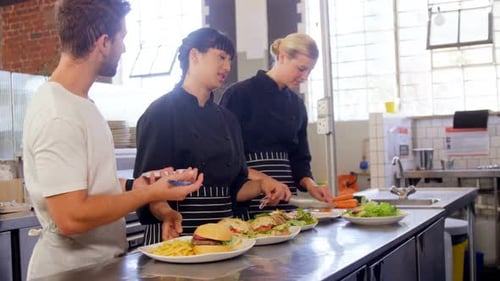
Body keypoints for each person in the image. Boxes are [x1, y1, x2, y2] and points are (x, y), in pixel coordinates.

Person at [22, 1, 203, 279]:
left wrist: (137, 184)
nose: (125, 48)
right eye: (123, 39)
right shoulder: (57, 113)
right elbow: (71, 216)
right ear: (104, 43)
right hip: (70, 272)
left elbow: (89, 183)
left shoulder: (80, 102)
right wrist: (151, 194)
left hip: (98, 267)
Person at [134, 27, 291, 244]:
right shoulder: (160, 113)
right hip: (177, 235)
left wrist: (262, 186)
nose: (227, 67)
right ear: (194, 56)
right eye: (221, 57)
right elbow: (148, 188)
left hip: (224, 238)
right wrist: (167, 214)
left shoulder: (228, 120)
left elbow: (235, 189)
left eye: (230, 60)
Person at [220, 33, 332, 218]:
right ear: (282, 57)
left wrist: (311, 185)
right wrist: (263, 181)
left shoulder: (297, 104)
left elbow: (300, 159)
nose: (304, 77)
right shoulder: (239, 94)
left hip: (287, 204)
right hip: (248, 201)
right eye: (301, 69)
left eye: (309, 71)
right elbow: (226, 158)